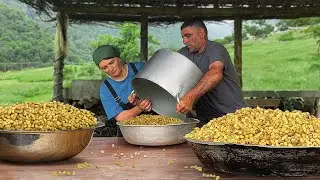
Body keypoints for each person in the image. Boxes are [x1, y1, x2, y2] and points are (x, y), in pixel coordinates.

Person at [176, 20, 247, 126]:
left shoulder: (215, 49)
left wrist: (190, 97)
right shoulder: (184, 53)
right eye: (183, 37)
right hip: (203, 119)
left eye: (188, 36)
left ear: (201, 33)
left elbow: (215, 74)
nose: (185, 41)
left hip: (231, 116)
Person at [92, 45, 152, 124]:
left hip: (160, 119)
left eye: (112, 62)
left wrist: (137, 92)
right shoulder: (106, 88)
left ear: (119, 58)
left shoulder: (140, 68)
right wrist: (139, 108)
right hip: (130, 129)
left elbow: (160, 83)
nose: (110, 69)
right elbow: (120, 117)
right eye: (104, 67)